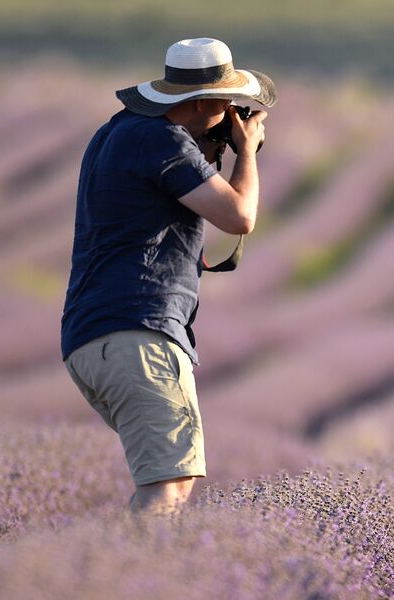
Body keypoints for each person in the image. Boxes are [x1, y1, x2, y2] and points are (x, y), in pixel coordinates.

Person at [61, 37, 272, 515]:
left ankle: (113, 576)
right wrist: (248, 152)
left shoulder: (117, 133)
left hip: (95, 337)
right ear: (202, 103)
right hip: (138, 333)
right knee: (167, 488)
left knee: (167, 482)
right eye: (227, 105)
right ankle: (133, 586)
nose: (233, 115)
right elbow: (240, 215)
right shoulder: (162, 140)